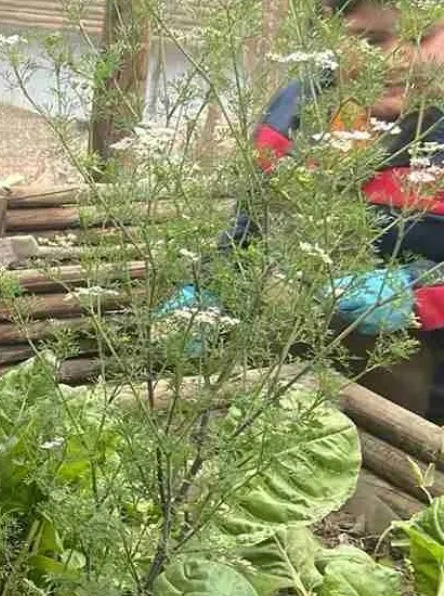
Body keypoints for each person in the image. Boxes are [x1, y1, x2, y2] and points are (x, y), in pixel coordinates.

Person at [167, 0, 444, 416]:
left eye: (420, 37)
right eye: (370, 40)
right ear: (330, 34)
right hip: (286, 364)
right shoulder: (294, 111)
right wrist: (207, 287)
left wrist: (417, 293)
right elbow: (249, 228)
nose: (396, 59)